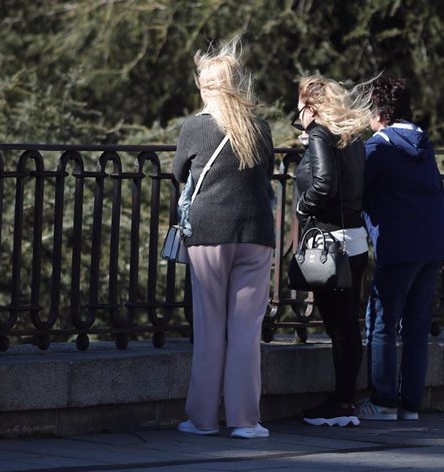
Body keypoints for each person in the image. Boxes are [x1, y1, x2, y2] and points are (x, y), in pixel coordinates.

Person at [172, 37, 275, 439]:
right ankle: (246, 421)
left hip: (209, 235)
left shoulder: (195, 127)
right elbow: (263, 172)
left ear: (206, 87)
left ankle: (201, 419)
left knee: (210, 330)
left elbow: (181, 173)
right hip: (256, 233)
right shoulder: (260, 128)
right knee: (246, 332)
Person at [356, 77, 444, 421]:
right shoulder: (422, 144)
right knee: (416, 326)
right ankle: (410, 405)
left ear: (379, 113)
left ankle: (383, 401)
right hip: (433, 244)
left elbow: (354, 186)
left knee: (382, 321)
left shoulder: (378, 147)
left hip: (398, 245)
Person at [292, 75, 373, 427]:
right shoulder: (351, 137)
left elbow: (324, 183)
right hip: (354, 238)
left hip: (331, 240)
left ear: (310, 106)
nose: (298, 114)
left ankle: (341, 404)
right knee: (348, 324)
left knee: (339, 327)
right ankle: (345, 399)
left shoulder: (321, 133)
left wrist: (302, 206)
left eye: (299, 108)